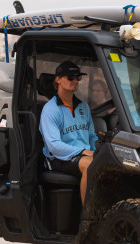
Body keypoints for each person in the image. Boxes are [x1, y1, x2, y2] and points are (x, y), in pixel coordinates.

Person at [39, 61, 98, 205]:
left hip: (84, 154)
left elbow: (92, 136)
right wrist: (84, 151)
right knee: (91, 166)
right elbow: (54, 146)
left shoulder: (84, 107)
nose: (75, 81)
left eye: (78, 77)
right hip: (59, 158)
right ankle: (88, 220)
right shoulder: (50, 109)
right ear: (58, 80)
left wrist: (98, 151)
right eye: (70, 77)